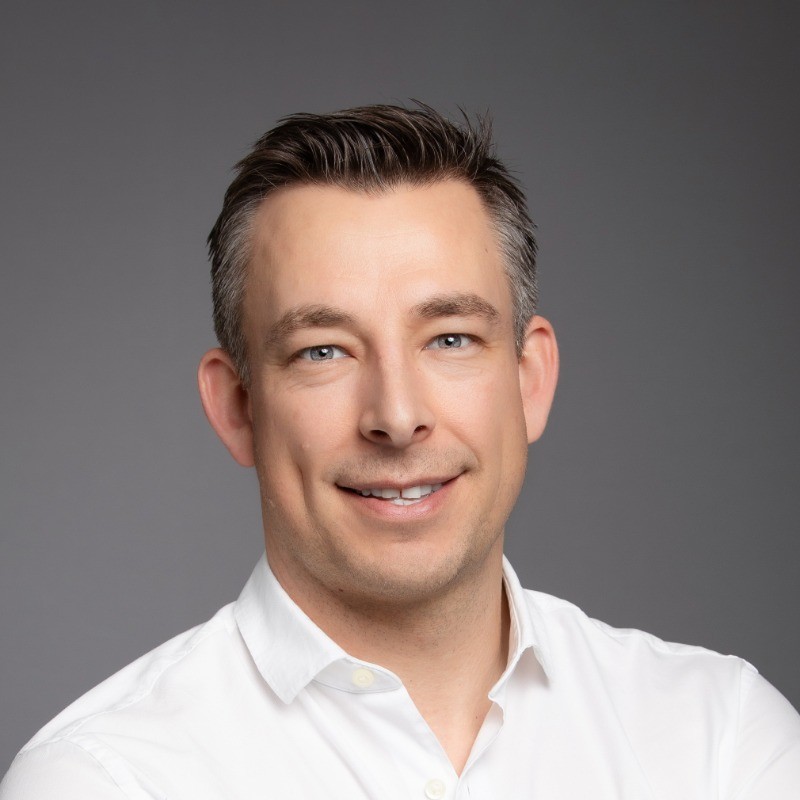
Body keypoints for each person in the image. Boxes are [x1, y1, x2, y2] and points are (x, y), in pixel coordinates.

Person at [2, 103, 798, 798]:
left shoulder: (720, 738)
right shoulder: (103, 781)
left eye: (450, 338)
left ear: (530, 380)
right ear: (238, 407)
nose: (397, 415)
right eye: (324, 351)